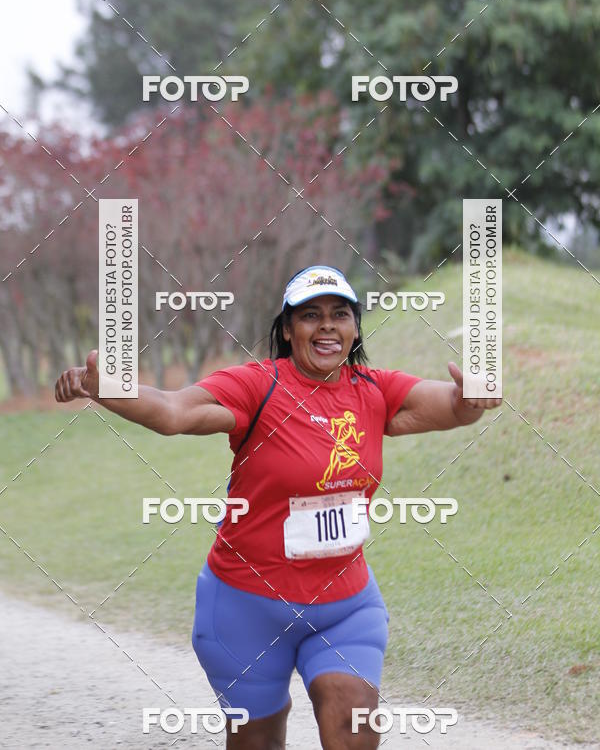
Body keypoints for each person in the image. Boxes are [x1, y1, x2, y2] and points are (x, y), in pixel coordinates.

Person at [55, 264, 501, 749]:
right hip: (246, 608)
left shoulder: (375, 389)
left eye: (340, 314)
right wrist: (109, 388)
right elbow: (173, 411)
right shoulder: (257, 386)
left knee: (353, 722)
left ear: (355, 328)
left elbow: (450, 404)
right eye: (310, 315)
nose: (327, 326)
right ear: (288, 330)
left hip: (345, 608)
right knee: (258, 741)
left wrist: (469, 398)